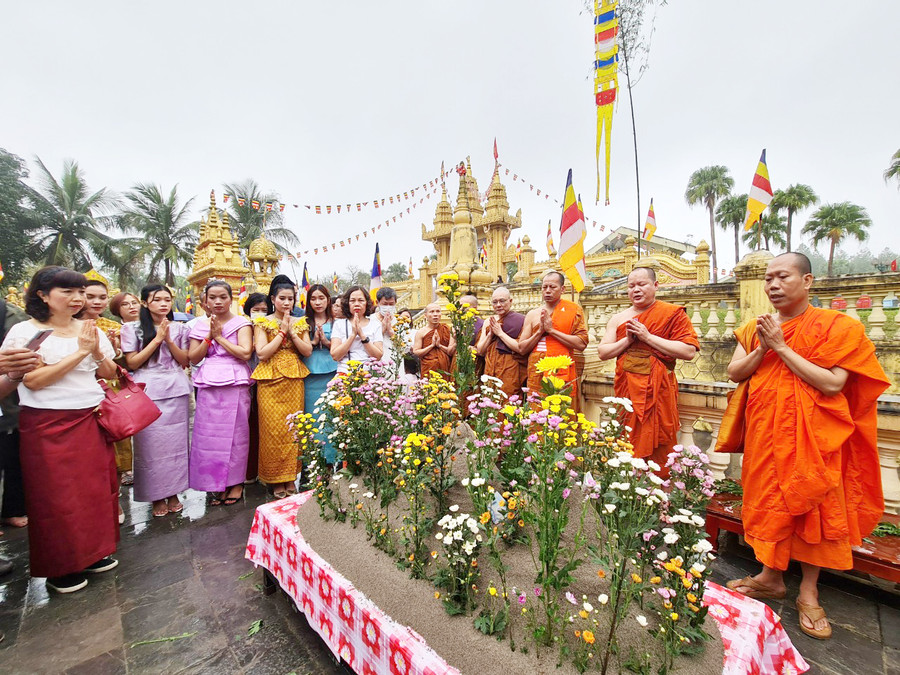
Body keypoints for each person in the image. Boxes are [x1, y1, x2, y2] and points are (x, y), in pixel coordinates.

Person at [720, 252, 890, 640]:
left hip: (814, 436)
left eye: (782, 277)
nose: (773, 285)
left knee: (815, 507)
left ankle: (809, 592)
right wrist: (763, 347)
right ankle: (770, 577)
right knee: (769, 502)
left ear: (808, 281)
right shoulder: (754, 328)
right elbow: (734, 372)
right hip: (766, 431)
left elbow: (833, 384)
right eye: (767, 279)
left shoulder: (838, 327)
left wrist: (780, 346)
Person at [1, 266, 119, 594]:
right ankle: (61, 566)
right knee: (56, 498)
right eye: (66, 291)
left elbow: (109, 371)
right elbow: (34, 381)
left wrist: (94, 349)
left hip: (91, 418)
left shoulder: (89, 328)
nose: (77, 298)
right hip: (47, 423)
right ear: (42, 294)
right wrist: (81, 352)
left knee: (95, 492)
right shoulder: (27, 332)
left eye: (80, 291)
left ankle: (93, 552)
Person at [597, 267, 699, 468]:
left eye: (641, 284)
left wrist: (647, 337)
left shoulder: (672, 314)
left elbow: (688, 351)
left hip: (658, 391)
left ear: (655, 285)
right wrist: (627, 341)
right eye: (631, 286)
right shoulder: (618, 318)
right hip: (627, 391)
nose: (636, 290)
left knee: (659, 442)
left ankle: (659, 487)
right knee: (628, 438)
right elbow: (603, 352)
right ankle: (628, 489)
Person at [121, 285, 191, 517]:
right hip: (148, 389)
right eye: (157, 299)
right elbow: (132, 363)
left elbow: (185, 360)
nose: (163, 304)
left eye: (167, 299)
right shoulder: (132, 329)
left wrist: (169, 340)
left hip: (176, 388)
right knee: (150, 447)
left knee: (177, 446)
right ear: (144, 303)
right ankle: (156, 495)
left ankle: (174, 492)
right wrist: (157, 339)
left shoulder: (180, 328)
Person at [188, 280, 253, 506]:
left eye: (223, 297)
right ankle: (216, 483)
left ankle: (236, 483)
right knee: (208, 436)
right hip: (208, 381)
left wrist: (219, 337)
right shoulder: (199, 325)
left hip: (236, 381)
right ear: (205, 301)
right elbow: (193, 357)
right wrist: (208, 337)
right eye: (212, 297)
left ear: (230, 299)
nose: (217, 302)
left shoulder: (242, 323)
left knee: (237, 434)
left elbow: (245, 353)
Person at [252, 275, 312, 498]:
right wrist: (280, 332)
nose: (287, 303)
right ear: (273, 299)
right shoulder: (262, 322)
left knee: (293, 430)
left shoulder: (301, 321)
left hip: (294, 380)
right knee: (272, 431)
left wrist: (292, 332)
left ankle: (289, 477)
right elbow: (262, 353)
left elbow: (306, 351)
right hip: (269, 379)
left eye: (290, 299)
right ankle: (274, 479)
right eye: (282, 298)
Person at [517, 271, 589, 408]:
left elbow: (581, 343)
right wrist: (540, 332)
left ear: (563, 289)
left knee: (561, 410)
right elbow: (522, 348)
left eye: (552, 287)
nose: (547, 291)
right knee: (537, 411)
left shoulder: (573, 310)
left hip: (561, 367)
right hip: (537, 368)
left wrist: (552, 331)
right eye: (544, 287)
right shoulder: (533, 314)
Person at [0, 299, 33, 535]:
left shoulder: (10, 314)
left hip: (9, 406)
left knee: (11, 456)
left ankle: (12, 509)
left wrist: (14, 376)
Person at [303, 285, 339, 464]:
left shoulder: (337, 322)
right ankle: (313, 463)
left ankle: (333, 461)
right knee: (312, 418)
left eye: (321, 298)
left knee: (331, 417)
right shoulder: (303, 322)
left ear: (328, 300)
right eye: (313, 298)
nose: (317, 302)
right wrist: (313, 342)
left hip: (332, 372)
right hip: (309, 375)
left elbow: (343, 349)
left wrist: (326, 342)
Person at [108, 291, 141, 487]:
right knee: (122, 432)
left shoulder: (151, 327)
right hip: (117, 383)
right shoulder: (112, 330)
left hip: (143, 382)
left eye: (134, 302)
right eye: (125, 304)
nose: (131, 307)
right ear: (117, 310)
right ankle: (124, 470)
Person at [475, 286, 528, 399]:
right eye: (495, 302)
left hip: (510, 369)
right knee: (490, 401)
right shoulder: (489, 321)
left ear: (510, 301)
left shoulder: (520, 320)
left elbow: (520, 348)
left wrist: (500, 333)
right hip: (490, 367)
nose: (498, 305)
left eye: (502, 301)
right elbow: (480, 350)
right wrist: (491, 334)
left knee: (507, 400)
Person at [242, 292, 267, 483]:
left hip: (267, 381)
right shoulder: (242, 328)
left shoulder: (270, 327)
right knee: (248, 425)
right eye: (256, 310)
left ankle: (265, 469)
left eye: (264, 310)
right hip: (246, 380)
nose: (259, 313)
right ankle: (249, 471)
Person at [330, 286, 384, 374]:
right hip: (345, 373)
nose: (357, 304)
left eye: (361, 300)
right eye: (352, 301)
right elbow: (335, 356)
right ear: (347, 303)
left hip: (368, 374)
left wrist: (362, 335)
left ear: (367, 303)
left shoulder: (375, 324)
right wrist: (353, 335)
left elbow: (378, 356)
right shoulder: (339, 324)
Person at [412, 303, 455, 378]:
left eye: (438, 311)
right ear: (425, 315)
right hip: (428, 369)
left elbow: (451, 352)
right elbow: (416, 352)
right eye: (432, 312)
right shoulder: (421, 332)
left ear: (441, 314)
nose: (435, 314)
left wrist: (439, 346)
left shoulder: (447, 329)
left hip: (445, 369)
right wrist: (431, 346)